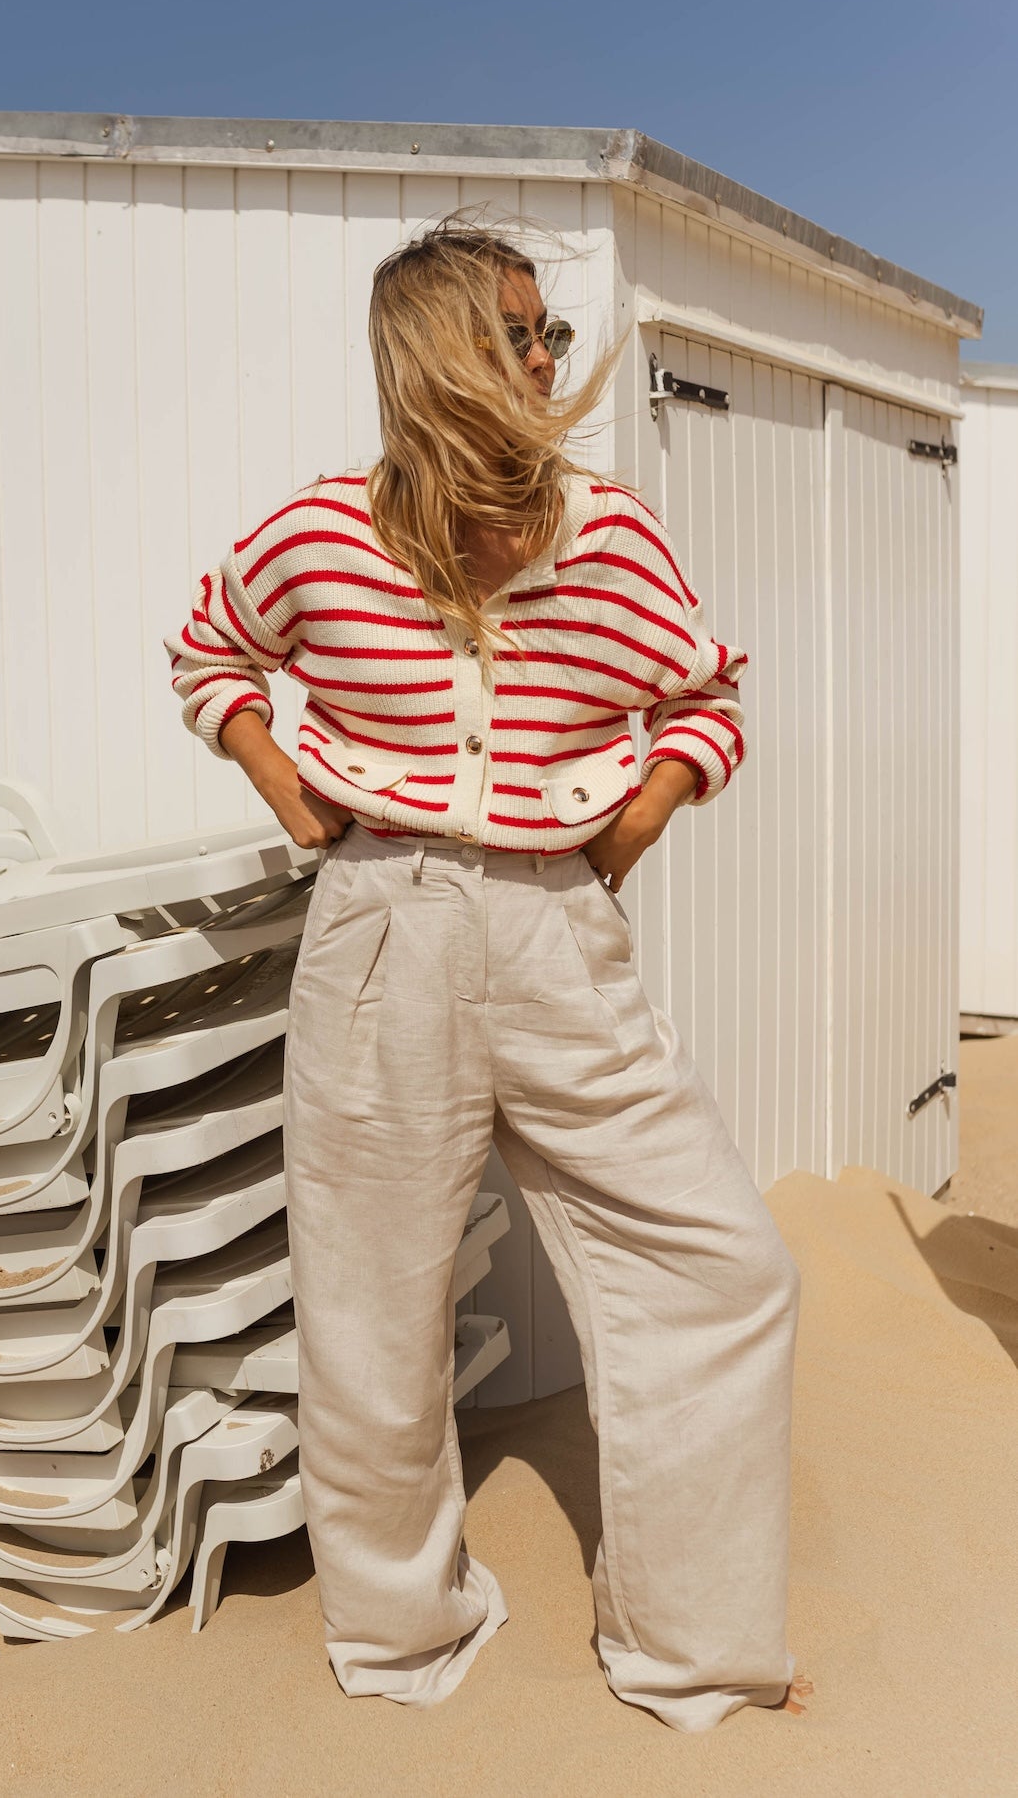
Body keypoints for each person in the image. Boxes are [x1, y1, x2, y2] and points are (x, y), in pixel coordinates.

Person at [163, 214, 803, 1733]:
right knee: (370, 1299)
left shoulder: (609, 533)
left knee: (720, 1264)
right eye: (520, 332)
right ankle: (399, 1631)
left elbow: (705, 694)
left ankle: (692, 1645)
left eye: (550, 330)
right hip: (378, 925)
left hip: (553, 935)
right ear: (439, 353)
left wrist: (634, 820)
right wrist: (284, 787)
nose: (546, 357)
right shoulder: (319, 534)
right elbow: (209, 651)